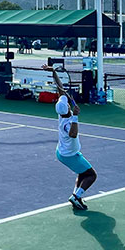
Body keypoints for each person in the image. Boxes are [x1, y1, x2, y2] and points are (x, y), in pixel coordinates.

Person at [46, 65, 97, 211]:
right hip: (69, 155)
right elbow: (73, 134)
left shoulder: (61, 113)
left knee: (82, 172)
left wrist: (53, 72)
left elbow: (60, 89)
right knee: (91, 175)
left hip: (61, 152)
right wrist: (75, 115)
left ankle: (76, 196)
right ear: (68, 108)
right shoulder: (69, 122)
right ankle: (77, 196)